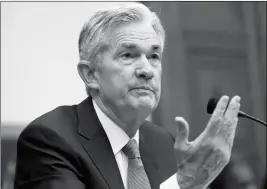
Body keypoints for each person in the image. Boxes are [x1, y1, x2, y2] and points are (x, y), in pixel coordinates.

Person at [14, 3, 241, 189]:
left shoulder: (164, 144)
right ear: (91, 74)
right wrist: (181, 185)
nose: (147, 70)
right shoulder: (49, 140)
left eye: (154, 56)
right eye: (128, 55)